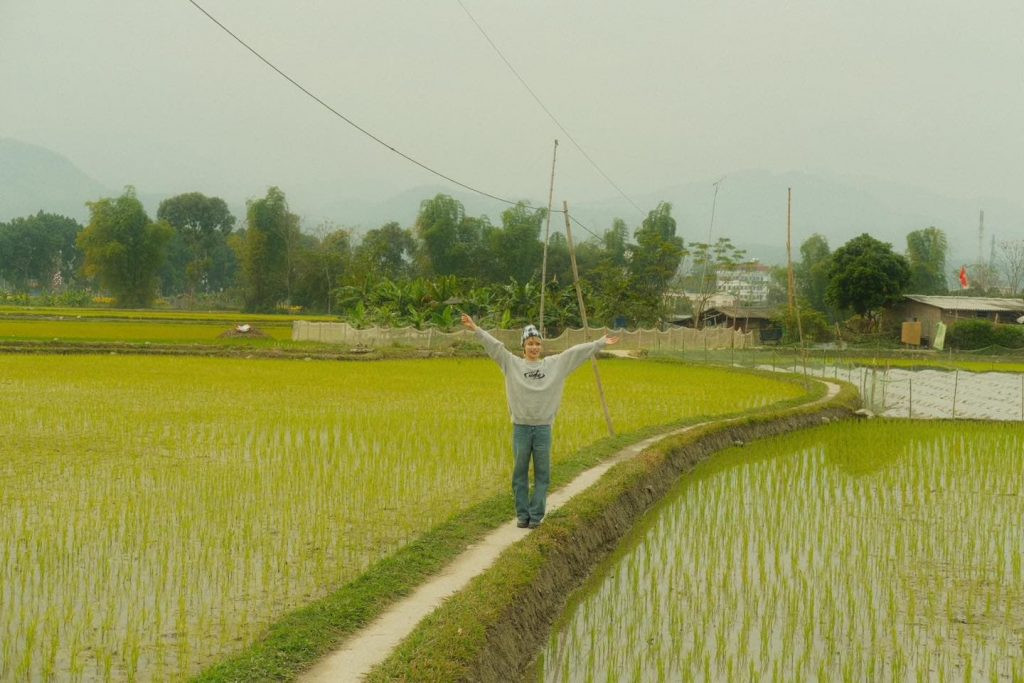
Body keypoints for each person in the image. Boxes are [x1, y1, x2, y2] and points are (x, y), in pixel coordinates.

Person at [461, 314, 619, 529]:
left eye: (537, 343)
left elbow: (575, 353)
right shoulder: (511, 364)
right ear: (523, 347)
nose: (534, 347)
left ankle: (536, 516)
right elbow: (495, 347)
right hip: (521, 428)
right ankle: (522, 515)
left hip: (543, 428)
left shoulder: (554, 365)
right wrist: (476, 329)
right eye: (529, 343)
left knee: (543, 474)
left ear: (541, 346)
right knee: (520, 474)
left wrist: (599, 343)